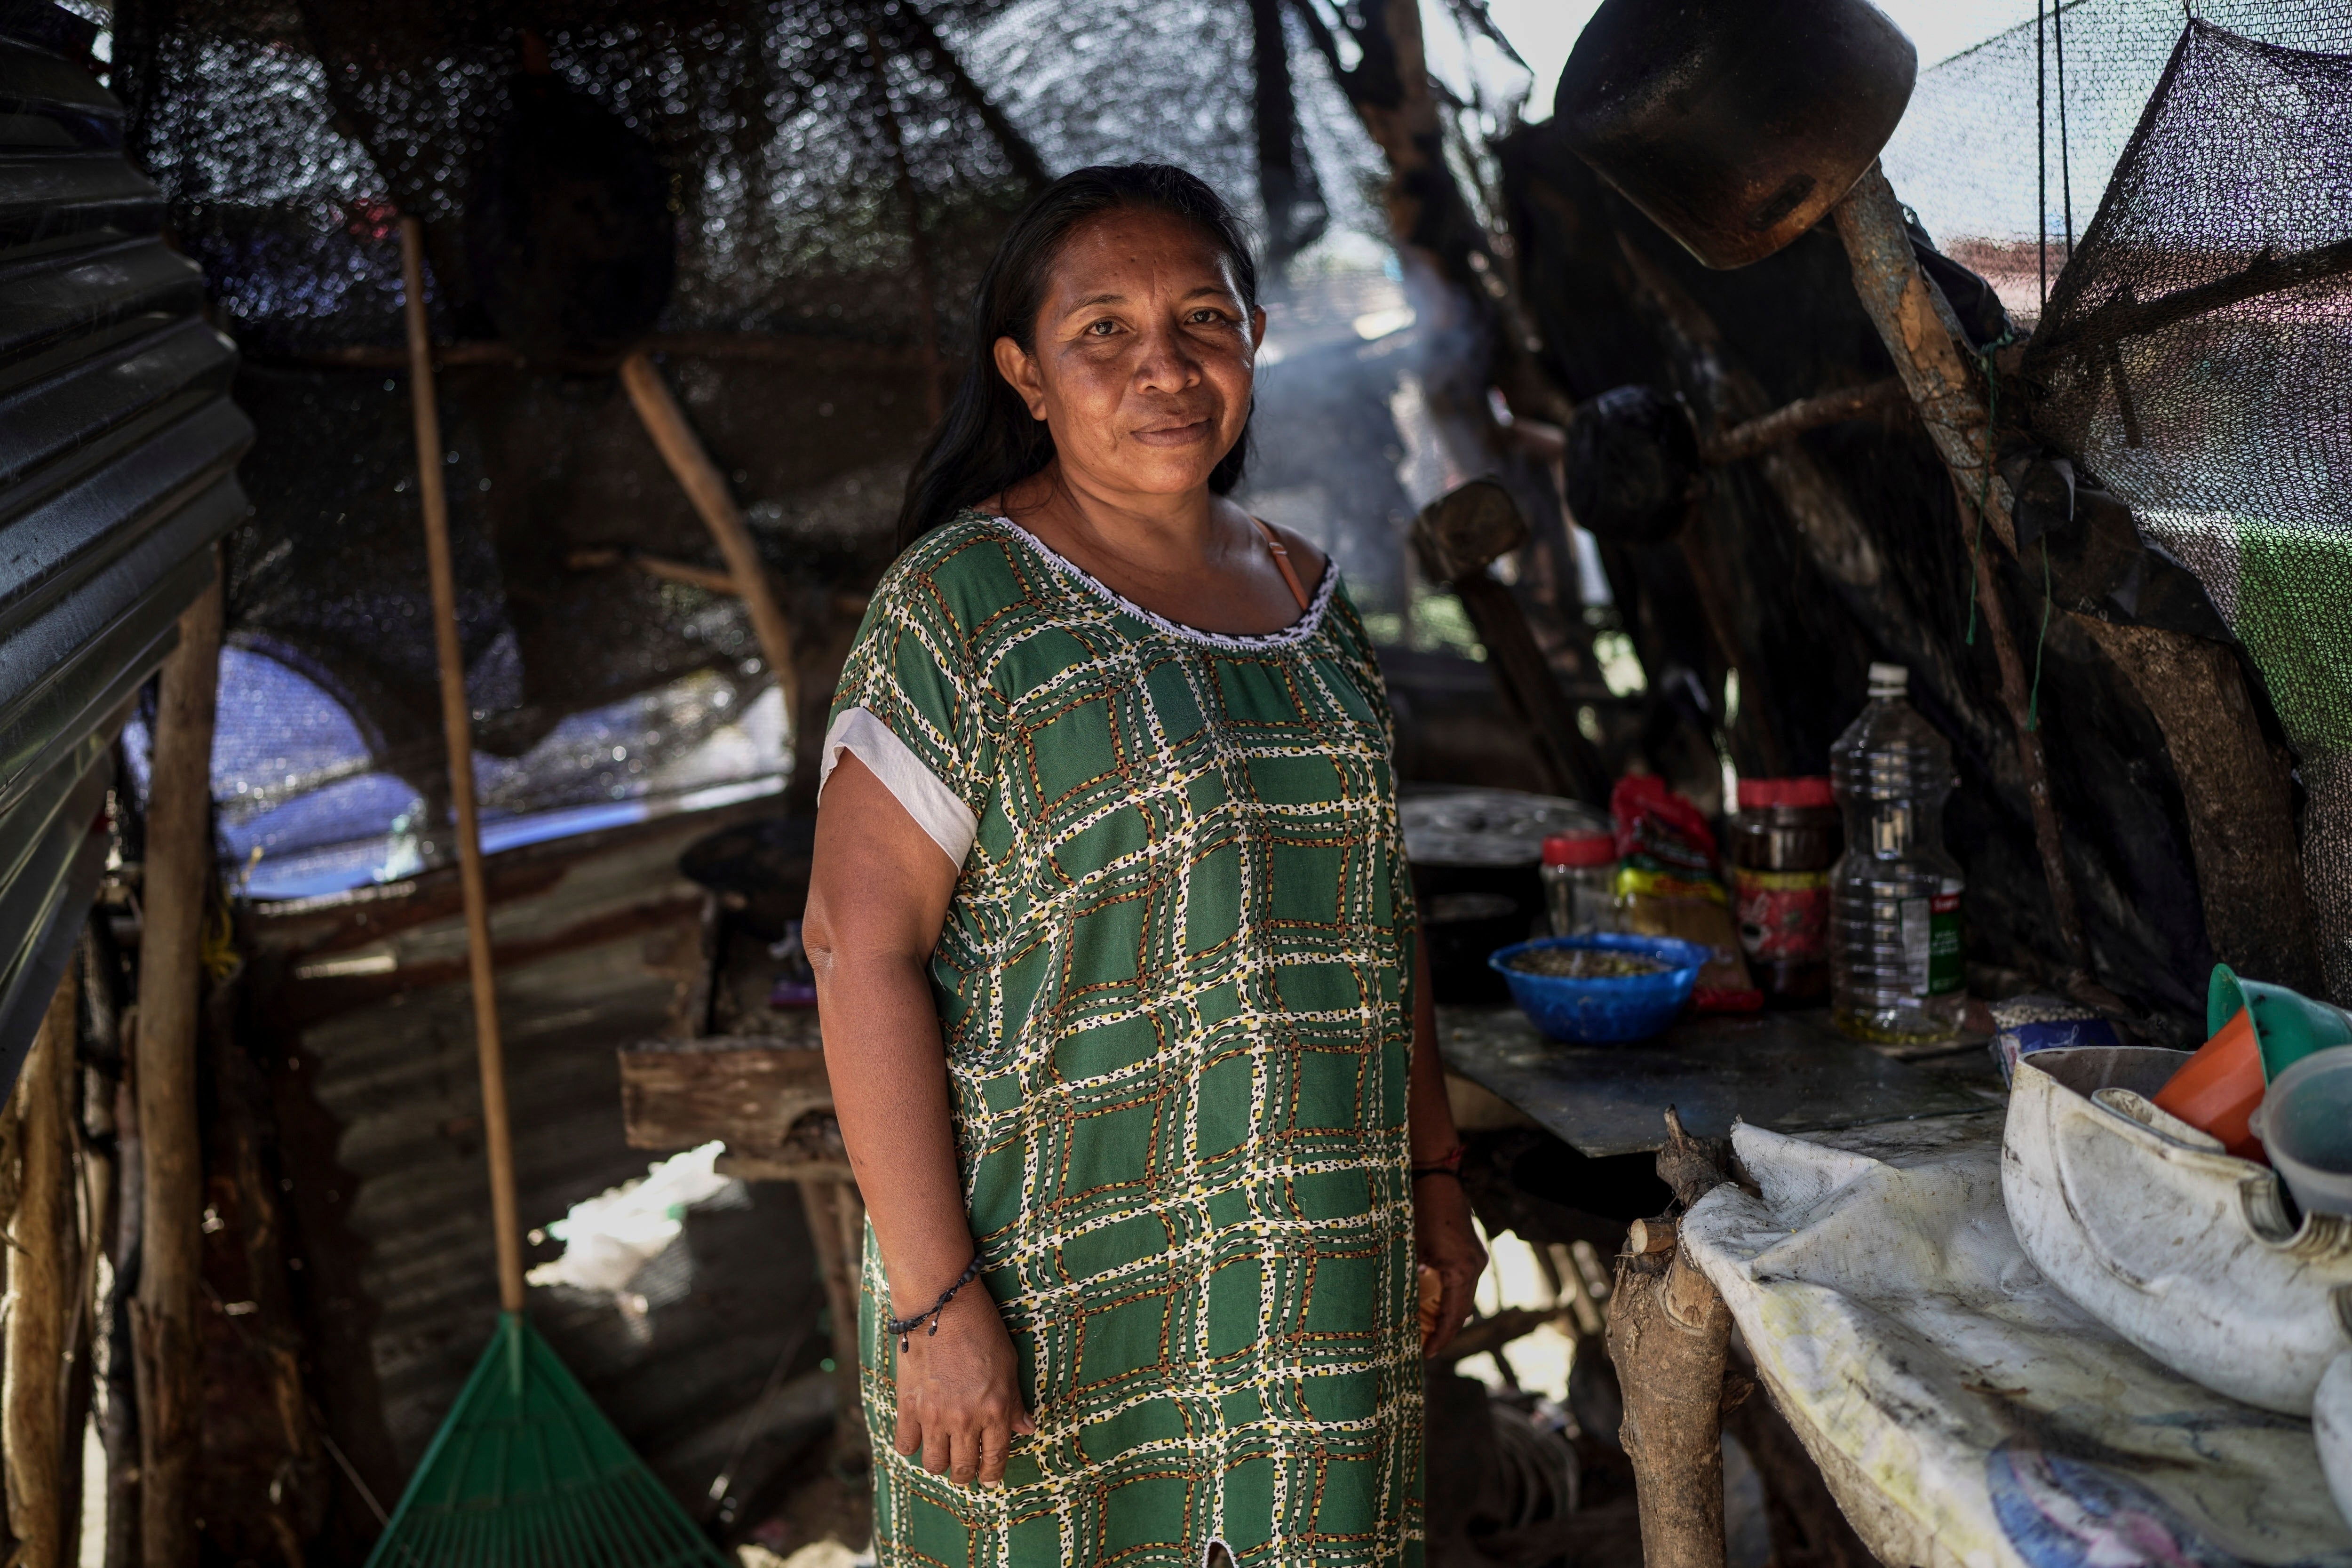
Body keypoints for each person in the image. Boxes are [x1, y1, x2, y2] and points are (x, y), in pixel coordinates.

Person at [803, 162, 1485, 1568]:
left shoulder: (1309, 595)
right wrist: (938, 1304)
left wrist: (1431, 1177)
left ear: (1250, 344)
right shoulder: (961, 606)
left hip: (1313, 1259)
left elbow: (1378, 919)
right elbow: (855, 950)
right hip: (1054, 1281)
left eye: (1205, 320)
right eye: (1101, 330)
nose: (1163, 367)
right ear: (1026, 376)